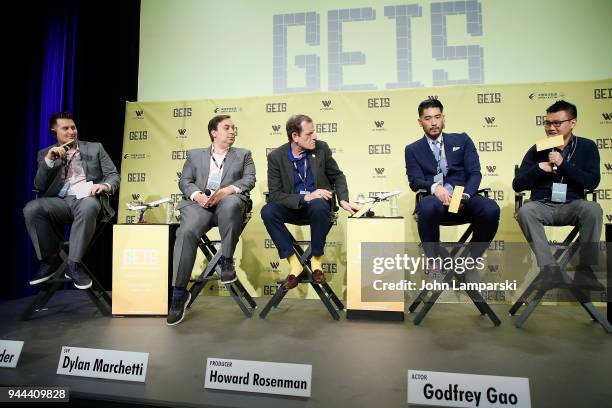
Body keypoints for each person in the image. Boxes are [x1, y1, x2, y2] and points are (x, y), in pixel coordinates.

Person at [167, 115, 256, 325]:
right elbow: (185, 181)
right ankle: (179, 294)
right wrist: (197, 195)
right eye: (227, 128)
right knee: (186, 232)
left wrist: (227, 191)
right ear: (214, 132)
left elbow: (249, 180)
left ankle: (226, 260)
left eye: (234, 128)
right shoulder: (195, 155)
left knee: (232, 204)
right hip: (200, 205)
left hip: (227, 204)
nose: (233, 131)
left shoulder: (244, 155)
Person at [404, 99, 500, 282]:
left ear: (443, 117)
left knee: (490, 209)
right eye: (428, 118)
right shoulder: (412, 149)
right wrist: (434, 188)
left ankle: (470, 263)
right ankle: (434, 265)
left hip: (464, 197)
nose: (434, 123)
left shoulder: (462, 140)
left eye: (437, 117)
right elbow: (415, 181)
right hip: (436, 201)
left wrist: (464, 195)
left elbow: (475, 173)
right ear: (420, 121)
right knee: (426, 206)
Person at [261, 114, 359, 290]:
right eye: (309, 134)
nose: (314, 137)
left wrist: (343, 200)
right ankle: (295, 265)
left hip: (318, 209)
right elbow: (275, 195)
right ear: (295, 137)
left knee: (319, 202)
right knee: (268, 211)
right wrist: (305, 196)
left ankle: (316, 262)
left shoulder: (321, 148)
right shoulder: (276, 157)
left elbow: (337, 176)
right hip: (294, 207)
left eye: (314, 132)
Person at [23, 111, 120, 289]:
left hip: (86, 198)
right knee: (31, 208)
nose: (71, 132)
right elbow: (39, 185)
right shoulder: (45, 154)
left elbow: (113, 175)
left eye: (73, 127)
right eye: (65, 128)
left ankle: (73, 264)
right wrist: (50, 161)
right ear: (54, 130)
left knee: (89, 204)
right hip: (60, 202)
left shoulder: (95, 148)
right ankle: (50, 258)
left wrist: (104, 186)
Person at [513, 100, 603, 290]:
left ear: (572, 123)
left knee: (593, 209)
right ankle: (550, 270)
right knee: (525, 211)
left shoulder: (587, 147)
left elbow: (592, 182)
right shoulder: (537, 149)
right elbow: (518, 184)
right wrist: (538, 168)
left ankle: (585, 271)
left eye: (557, 123)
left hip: (572, 205)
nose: (551, 128)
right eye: (548, 123)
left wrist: (563, 165)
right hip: (542, 205)